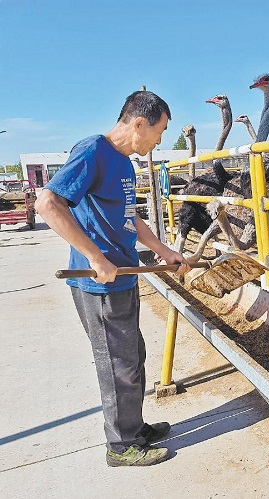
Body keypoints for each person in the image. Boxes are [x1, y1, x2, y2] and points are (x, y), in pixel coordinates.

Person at [36, 90, 191, 467]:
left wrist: (163, 250)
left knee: (133, 357)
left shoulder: (124, 163)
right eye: (159, 132)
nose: (158, 141)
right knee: (116, 364)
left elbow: (129, 219)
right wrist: (94, 256)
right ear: (139, 123)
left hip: (124, 276)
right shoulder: (93, 151)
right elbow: (48, 203)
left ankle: (133, 427)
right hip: (99, 284)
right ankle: (121, 446)